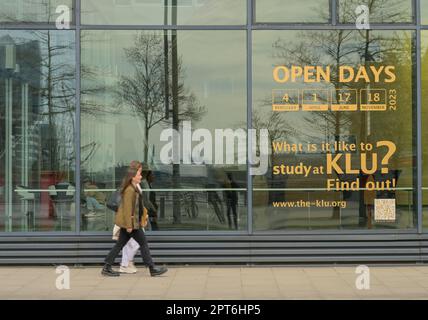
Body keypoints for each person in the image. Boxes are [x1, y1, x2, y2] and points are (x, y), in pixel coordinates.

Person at [101, 160, 167, 277]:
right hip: (131, 224)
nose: (141, 176)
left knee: (120, 245)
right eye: (139, 173)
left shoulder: (133, 187)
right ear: (133, 175)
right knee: (143, 243)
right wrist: (130, 226)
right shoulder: (130, 190)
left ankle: (107, 266)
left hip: (132, 223)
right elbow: (127, 209)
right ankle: (152, 268)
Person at [119, 164, 159, 273]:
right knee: (135, 243)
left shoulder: (137, 184)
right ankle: (126, 264)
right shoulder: (133, 186)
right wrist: (129, 223)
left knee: (128, 243)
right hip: (132, 219)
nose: (140, 175)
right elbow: (136, 203)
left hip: (135, 219)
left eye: (141, 172)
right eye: (139, 172)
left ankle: (123, 264)